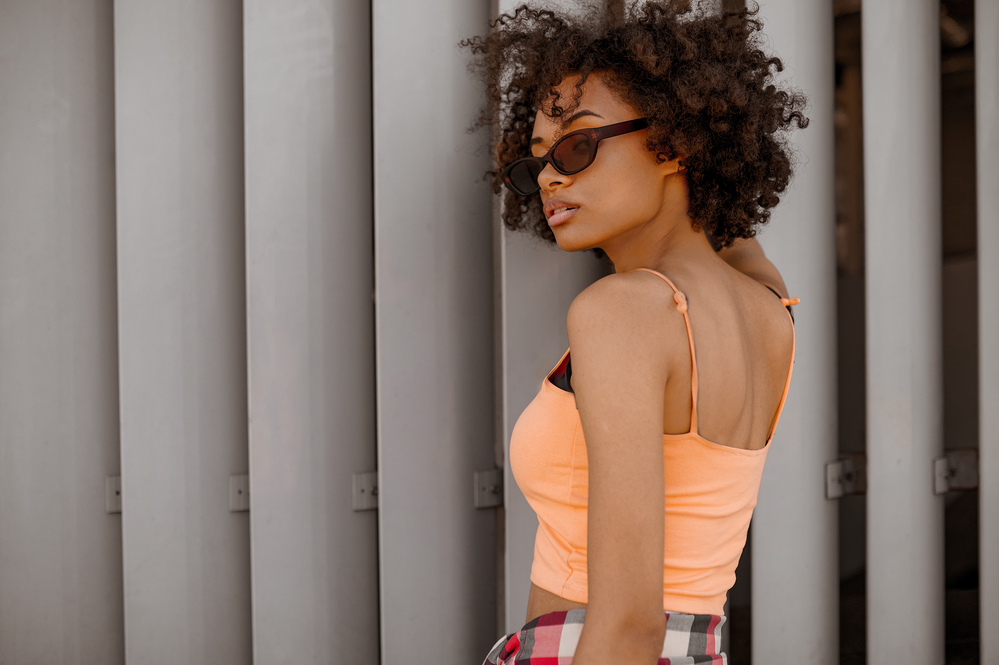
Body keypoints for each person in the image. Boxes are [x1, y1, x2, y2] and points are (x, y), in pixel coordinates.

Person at [463, 2, 806, 663]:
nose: (550, 178)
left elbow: (628, 625)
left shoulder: (621, 312)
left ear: (675, 139)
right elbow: (724, 227)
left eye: (578, 144)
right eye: (534, 163)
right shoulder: (765, 300)